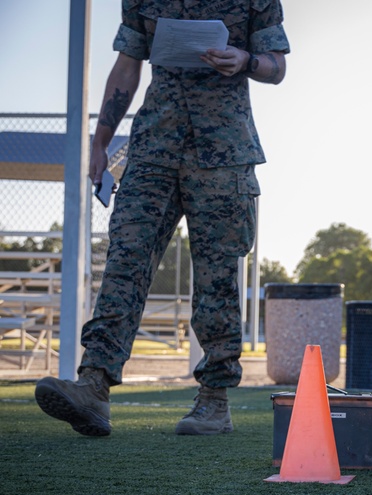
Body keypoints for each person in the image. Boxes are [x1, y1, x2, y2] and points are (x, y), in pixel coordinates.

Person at [34, 1, 290, 437]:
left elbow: (276, 66)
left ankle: (214, 399)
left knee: (217, 277)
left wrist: (246, 60)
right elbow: (126, 66)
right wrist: (100, 142)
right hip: (153, 147)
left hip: (223, 152)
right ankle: (94, 385)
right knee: (124, 260)